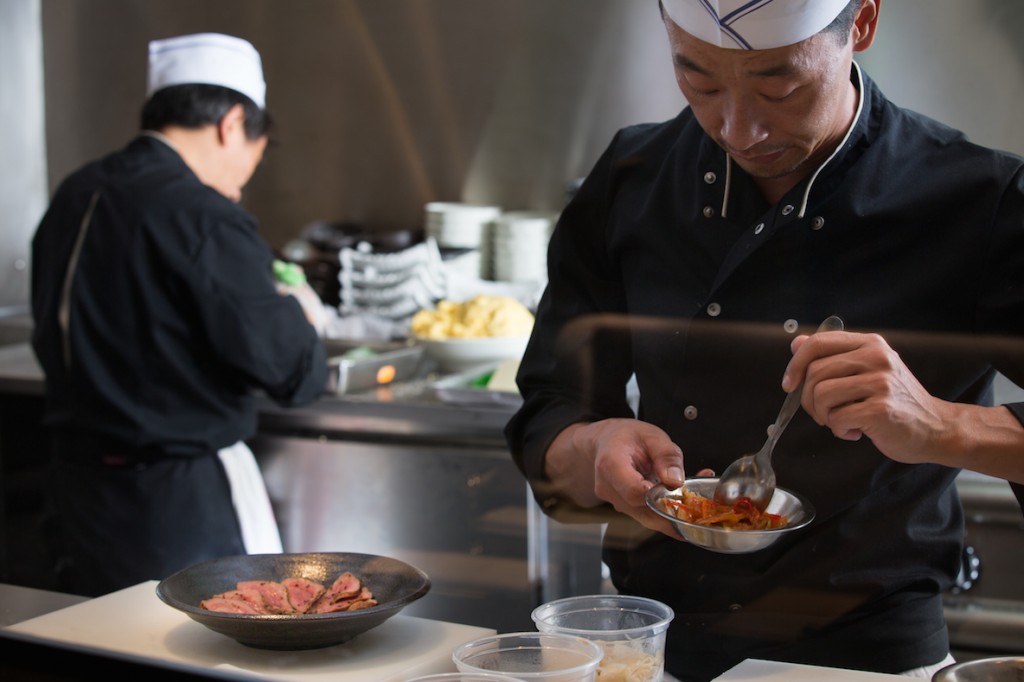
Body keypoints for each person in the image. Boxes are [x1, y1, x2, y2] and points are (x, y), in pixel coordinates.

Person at [505, 1, 1024, 680]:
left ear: (861, 24)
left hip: (865, 659)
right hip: (654, 647)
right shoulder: (633, 177)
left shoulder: (978, 199)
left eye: (781, 87)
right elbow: (551, 408)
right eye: (701, 84)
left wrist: (938, 425)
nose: (739, 129)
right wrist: (595, 449)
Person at [30, 33, 328, 597]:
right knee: (205, 657)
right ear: (232, 124)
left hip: (77, 497)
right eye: (252, 159)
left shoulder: (77, 192)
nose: (241, 184)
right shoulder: (200, 214)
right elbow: (293, 372)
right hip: (177, 507)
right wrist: (301, 313)